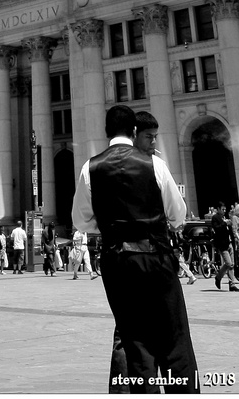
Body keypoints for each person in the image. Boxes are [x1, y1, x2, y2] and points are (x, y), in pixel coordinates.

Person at [73, 104, 198, 393]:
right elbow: (178, 214)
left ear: (107, 132)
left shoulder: (89, 167)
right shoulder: (153, 163)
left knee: (134, 339)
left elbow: (81, 220)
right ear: (133, 130)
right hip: (156, 255)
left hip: (117, 260)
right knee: (174, 335)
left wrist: (111, 227)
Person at [210, 202, 239, 292]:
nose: (224, 211)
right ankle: (218, 277)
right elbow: (217, 228)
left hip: (229, 242)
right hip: (222, 244)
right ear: (218, 209)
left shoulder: (225, 217)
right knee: (228, 263)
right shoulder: (215, 218)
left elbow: (230, 229)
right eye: (222, 209)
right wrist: (224, 223)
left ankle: (232, 284)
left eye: (224, 209)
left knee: (232, 265)